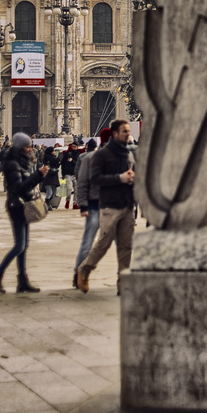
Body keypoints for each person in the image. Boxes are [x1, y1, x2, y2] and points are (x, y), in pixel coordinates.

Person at [77, 120, 135, 295]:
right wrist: (120, 178)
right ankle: (84, 269)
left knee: (126, 246)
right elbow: (95, 179)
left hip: (127, 204)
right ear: (114, 134)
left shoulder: (129, 154)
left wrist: (133, 178)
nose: (127, 134)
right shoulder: (101, 155)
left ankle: (123, 283)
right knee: (104, 242)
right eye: (124, 131)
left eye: (128, 131)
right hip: (109, 205)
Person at [0, 132, 49, 294]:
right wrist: (39, 175)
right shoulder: (12, 164)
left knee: (23, 245)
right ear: (21, 147)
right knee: (19, 245)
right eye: (28, 146)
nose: (30, 149)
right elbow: (20, 188)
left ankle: (22, 281)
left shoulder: (20, 161)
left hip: (23, 206)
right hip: (17, 206)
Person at [72, 132, 109, 287]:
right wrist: (83, 205)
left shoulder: (121, 157)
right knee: (88, 243)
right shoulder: (90, 158)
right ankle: (79, 273)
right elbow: (82, 181)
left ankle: (124, 278)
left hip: (112, 206)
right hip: (94, 205)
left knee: (123, 244)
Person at [61, 144, 79, 209]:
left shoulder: (78, 154)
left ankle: (75, 203)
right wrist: (63, 174)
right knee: (69, 189)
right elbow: (63, 164)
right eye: (73, 146)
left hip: (75, 174)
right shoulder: (66, 154)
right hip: (68, 174)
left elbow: (77, 164)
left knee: (76, 190)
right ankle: (68, 200)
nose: (74, 148)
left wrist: (72, 161)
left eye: (75, 146)